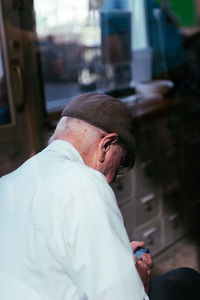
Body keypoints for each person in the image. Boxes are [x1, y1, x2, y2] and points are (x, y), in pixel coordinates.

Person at [0, 92, 199, 300]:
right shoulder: (84, 182)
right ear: (105, 146)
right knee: (185, 280)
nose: (111, 180)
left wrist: (117, 257)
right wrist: (138, 279)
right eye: (120, 165)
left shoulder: (6, 183)